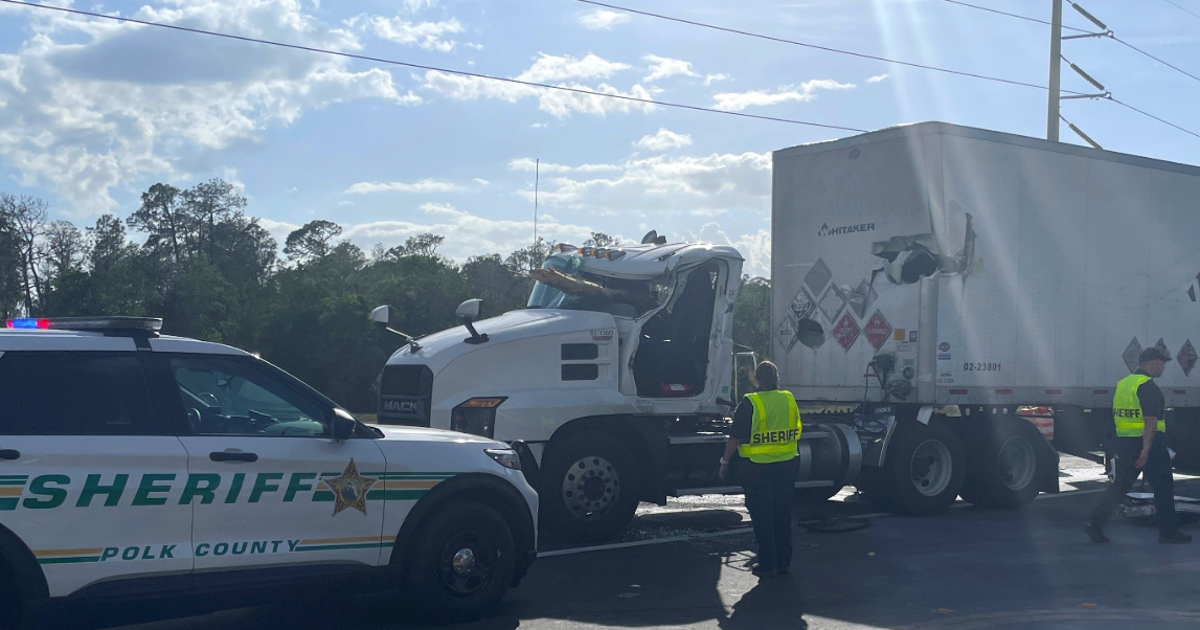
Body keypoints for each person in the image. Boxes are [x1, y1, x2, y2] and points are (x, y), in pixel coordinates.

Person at [1086, 347, 1192, 544]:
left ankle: (1095, 524)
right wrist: (1145, 449)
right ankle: (1168, 533)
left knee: (1120, 486)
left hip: (1126, 442)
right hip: (1149, 444)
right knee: (1163, 487)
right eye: (1162, 364)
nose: (1163, 368)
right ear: (1152, 362)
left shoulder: (1124, 384)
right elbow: (1150, 420)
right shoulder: (1147, 386)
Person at [719, 361, 802, 576]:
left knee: (763, 515)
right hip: (787, 462)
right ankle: (784, 561)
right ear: (776, 378)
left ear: (757, 379)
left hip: (757, 468)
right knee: (782, 513)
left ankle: (767, 563)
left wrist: (725, 462)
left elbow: (735, 437)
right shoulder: (788, 398)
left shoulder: (750, 402)